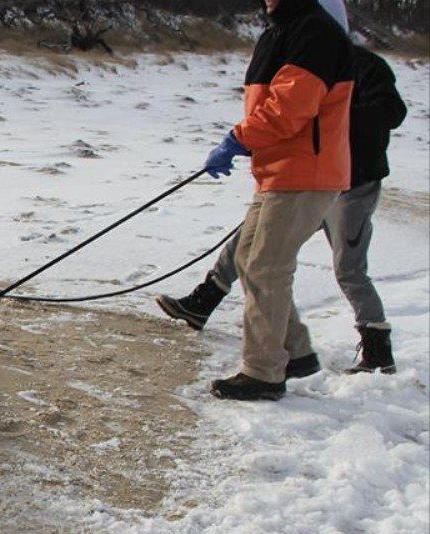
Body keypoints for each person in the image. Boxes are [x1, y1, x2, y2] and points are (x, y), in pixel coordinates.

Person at [157, 41, 407, 377]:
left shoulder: (364, 65)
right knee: (250, 239)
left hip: (352, 185)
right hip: (302, 178)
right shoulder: (298, 64)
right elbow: (281, 115)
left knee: (349, 269)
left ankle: (377, 351)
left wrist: (328, 121)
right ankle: (202, 303)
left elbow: (391, 111)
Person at [188, 0, 355, 401]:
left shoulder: (313, 31)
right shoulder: (282, 29)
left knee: (267, 267)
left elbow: (290, 108)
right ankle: (293, 352)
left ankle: (263, 372)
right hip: (280, 170)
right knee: (248, 259)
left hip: (305, 174)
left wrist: (239, 138)